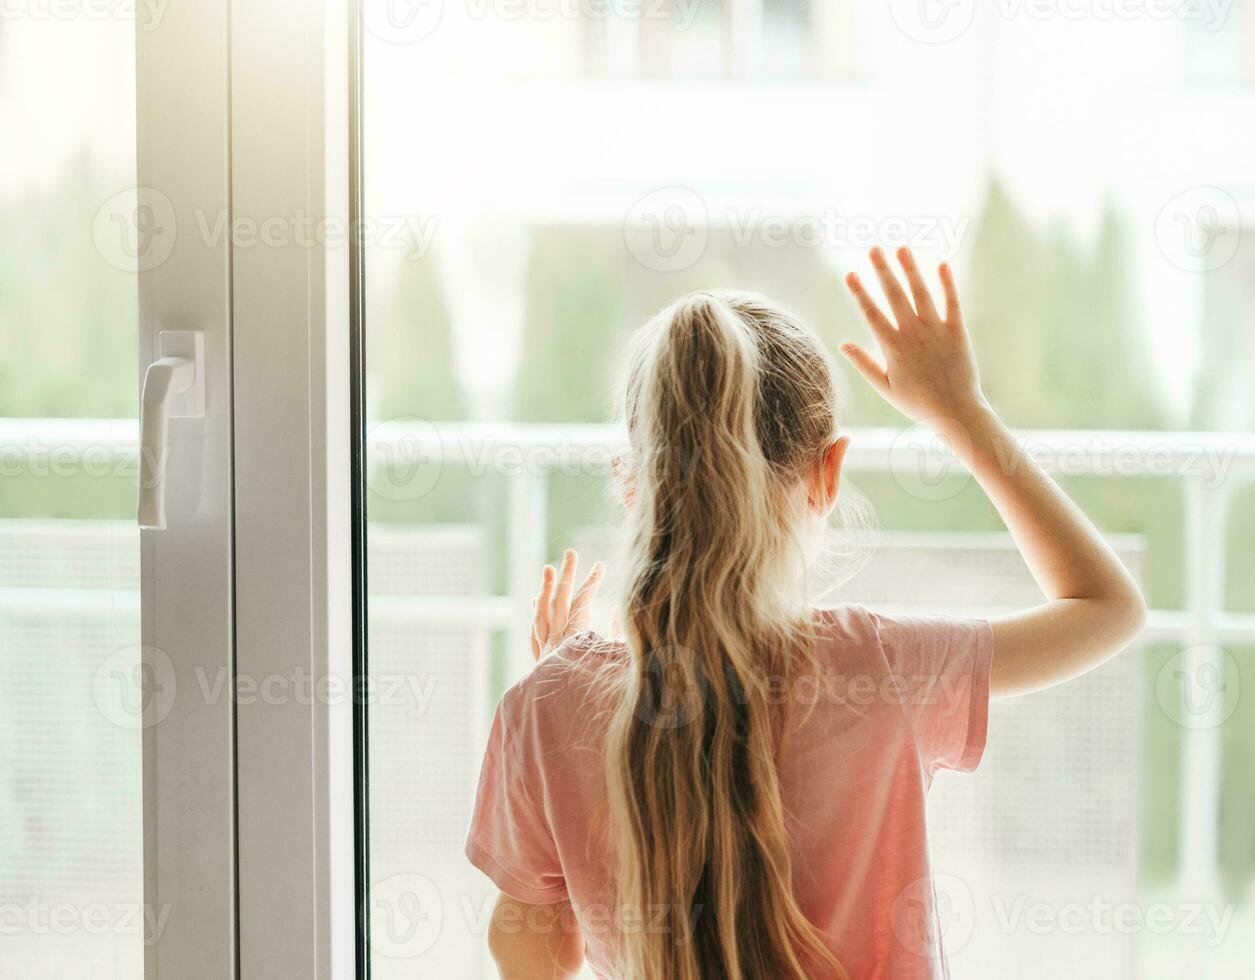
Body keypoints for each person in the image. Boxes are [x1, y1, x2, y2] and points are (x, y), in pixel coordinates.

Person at [466, 246, 1146, 979]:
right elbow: (1105, 607)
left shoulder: (541, 709)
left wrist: (558, 694)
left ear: (631, 484)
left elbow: (532, 956)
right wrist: (960, 415)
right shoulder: (884, 671)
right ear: (827, 472)